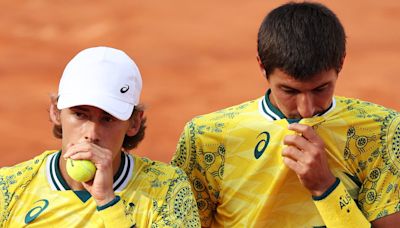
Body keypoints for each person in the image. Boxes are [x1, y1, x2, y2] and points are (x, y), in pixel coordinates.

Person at [171, 2, 400, 227]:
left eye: (320, 89)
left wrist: (325, 187)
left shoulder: (382, 131)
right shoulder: (206, 139)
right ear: (262, 66)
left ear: (340, 63)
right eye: (289, 91)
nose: (306, 109)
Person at [0, 46, 200, 227]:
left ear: (134, 123)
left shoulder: (167, 189)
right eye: (80, 114)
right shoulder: (8, 188)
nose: (91, 134)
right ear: (56, 111)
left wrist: (107, 202)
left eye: (108, 119)